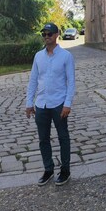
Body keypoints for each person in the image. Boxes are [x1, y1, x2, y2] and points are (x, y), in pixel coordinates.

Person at [26, 23, 75, 186]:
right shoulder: (38, 56)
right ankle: (48, 169)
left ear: (56, 35)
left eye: (49, 33)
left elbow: (71, 82)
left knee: (63, 137)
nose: (46, 36)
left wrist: (67, 104)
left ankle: (65, 170)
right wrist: (29, 103)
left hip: (59, 103)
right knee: (43, 139)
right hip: (41, 104)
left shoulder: (66, 56)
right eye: (44, 34)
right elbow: (33, 80)